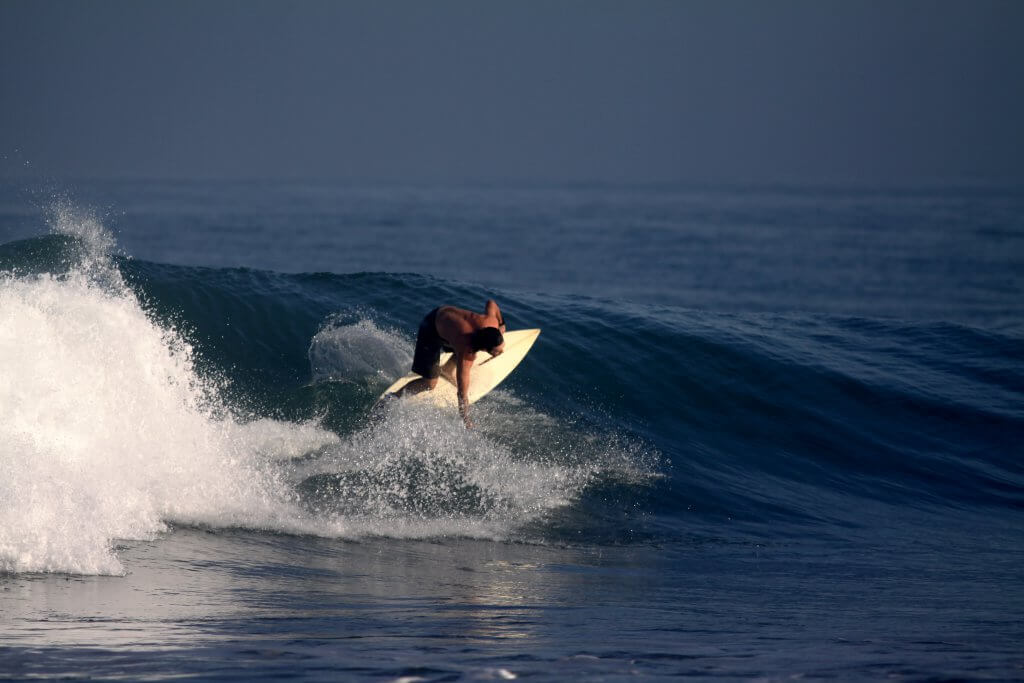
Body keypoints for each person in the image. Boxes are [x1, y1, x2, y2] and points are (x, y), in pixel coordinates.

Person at [401, 300, 506, 428]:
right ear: (485, 348)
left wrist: (502, 323)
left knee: (462, 342)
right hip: (431, 329)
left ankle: (447, 369)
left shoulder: (492, 322)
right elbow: (462, 394)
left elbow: (491, 303)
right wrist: (466, 419)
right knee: (429, 384)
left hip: (447, 320)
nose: (501, 352)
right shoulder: (466, 352)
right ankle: (395, 396)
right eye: (496, 352)